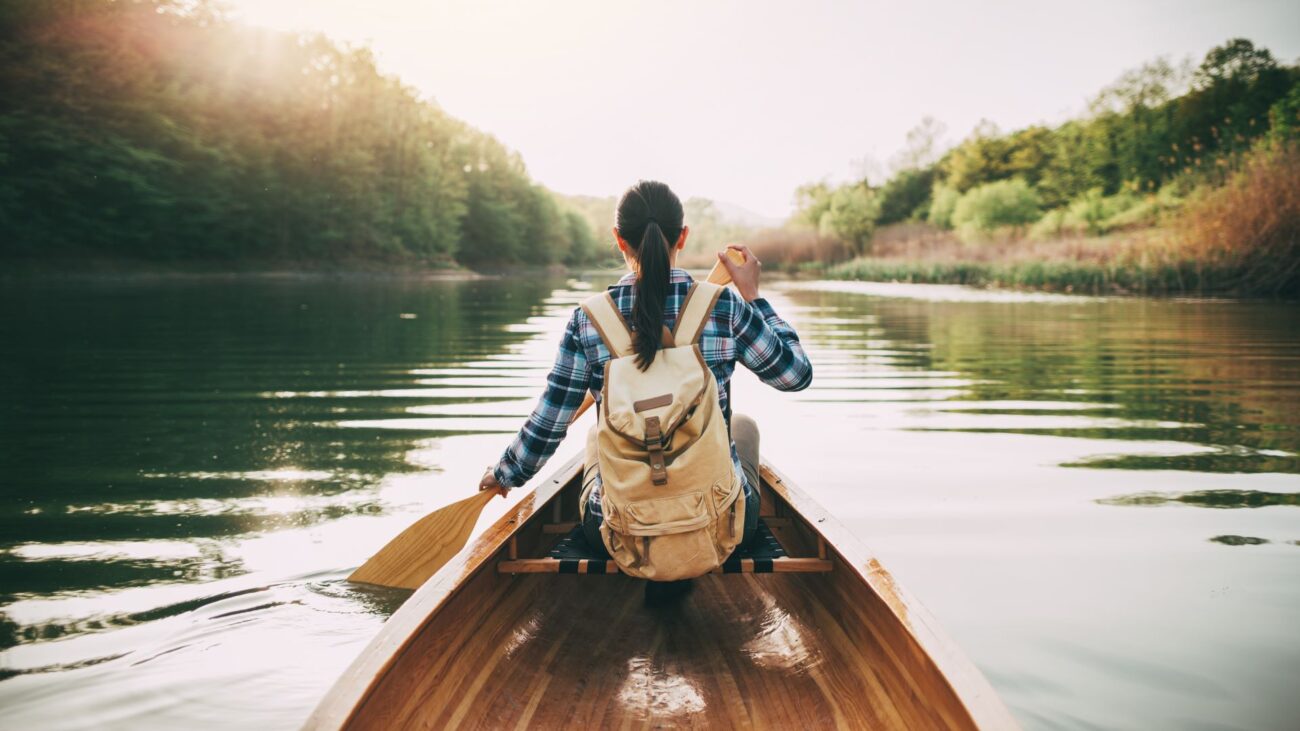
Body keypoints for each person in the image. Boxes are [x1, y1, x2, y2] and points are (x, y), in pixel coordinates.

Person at [479, 180, 812, 601]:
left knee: (594, 437)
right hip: (721, 526)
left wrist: (506, 473)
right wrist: (754, 296)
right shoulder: (725, 306)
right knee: (743, 427)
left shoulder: (588, 321)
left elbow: (548, 425)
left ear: (620, 240)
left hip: (618, 531)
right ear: (683, 237)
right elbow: (796, 374)